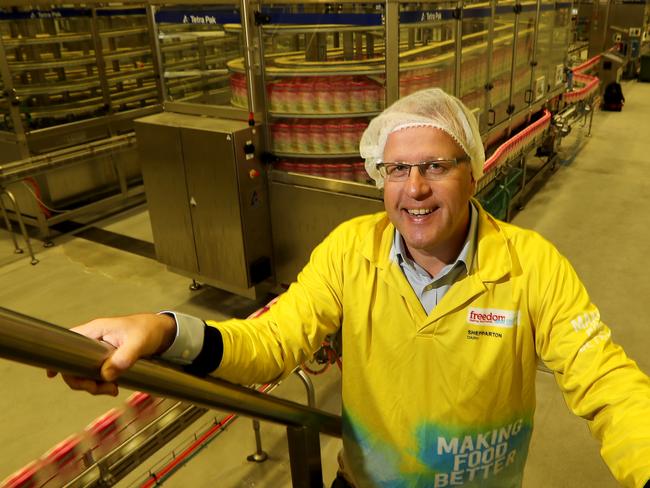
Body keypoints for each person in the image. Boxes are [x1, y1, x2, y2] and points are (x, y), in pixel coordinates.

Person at [49, 89, 650, 488]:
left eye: (436, 166)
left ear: (474, 170)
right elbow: (271, 343)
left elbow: (606, 382)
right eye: (397, 170)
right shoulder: (350, 251)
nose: (414, 188)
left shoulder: (531, 266)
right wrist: (162, 330)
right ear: (379, 177)